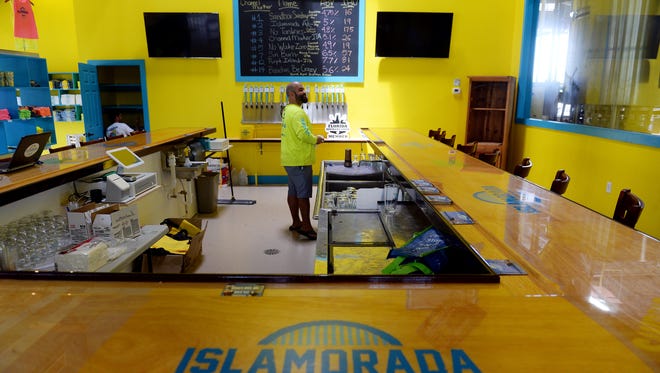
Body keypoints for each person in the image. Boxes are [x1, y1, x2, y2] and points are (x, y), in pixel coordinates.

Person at [281, 82, 324, 240]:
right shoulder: (297, 113)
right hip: (299, 160)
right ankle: (306, 227)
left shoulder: (287, 110)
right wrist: (317, 139)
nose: (304, 92)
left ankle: (296, 222)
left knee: (293, 192)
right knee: (303, 194)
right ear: (291, 95)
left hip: (289, 159)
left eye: (303, 89)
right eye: (300, 90)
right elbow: (303, 134)